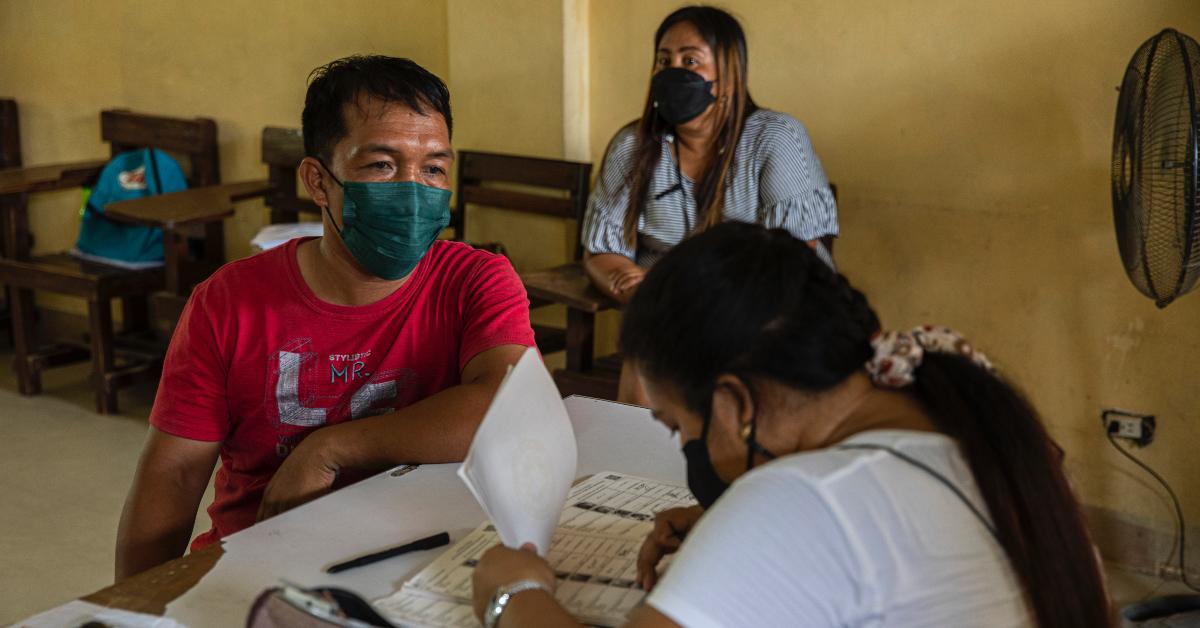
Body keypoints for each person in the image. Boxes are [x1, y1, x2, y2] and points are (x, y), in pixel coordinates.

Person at [471, 223, 1110, 627]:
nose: (684, 450)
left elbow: (822, 520)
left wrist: (514, 596)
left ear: (736, 406)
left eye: (675, 427)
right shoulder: (951, 406)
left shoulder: (806, 498)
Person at [115, 56, 535, 580]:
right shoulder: (227, 302)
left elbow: (510, 412)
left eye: (432, 169)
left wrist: (329, 449)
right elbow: (174, 474)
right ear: (318, 181)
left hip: (426, 560)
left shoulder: (475, 280)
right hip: (263, 562)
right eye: (381, 165)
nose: (411, 190)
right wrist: (131, 607)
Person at [581, 5, 838, 403]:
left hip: (766, 303)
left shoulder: (775, 138)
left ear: (729, 75)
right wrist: (636, 287)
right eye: (664, 60)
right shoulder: (633, 145)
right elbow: (602, 250)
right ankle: (638, 460)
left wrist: (703, 303)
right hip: (666, 306)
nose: (673, 71)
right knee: (649, 331)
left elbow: (792, 259)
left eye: (690, 60)